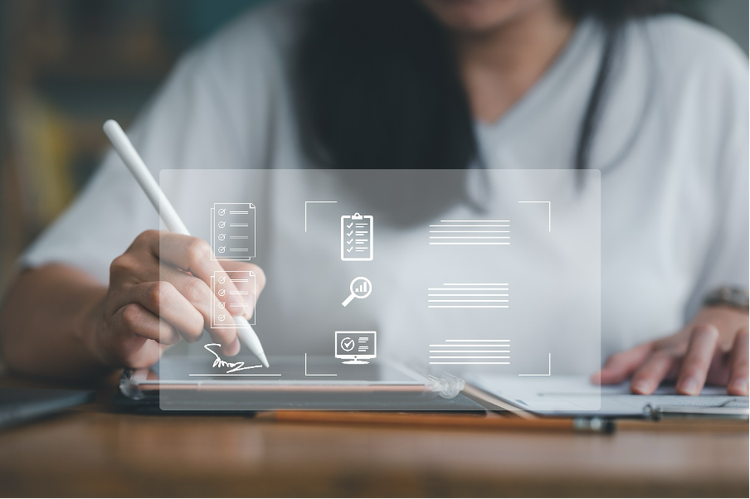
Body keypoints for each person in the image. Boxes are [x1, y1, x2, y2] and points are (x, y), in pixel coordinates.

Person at [0, 0, 748, 395]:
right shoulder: (260, 65)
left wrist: (734, 320)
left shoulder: (700, 82)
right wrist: (104, 319)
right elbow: (27, 314)